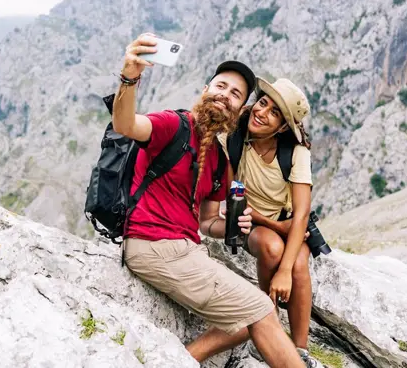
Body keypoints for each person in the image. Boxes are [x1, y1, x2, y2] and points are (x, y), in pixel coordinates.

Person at [114, 33, 305, 367]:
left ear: (239, 109)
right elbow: (126, 124)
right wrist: (130, 76)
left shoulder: (218, 158)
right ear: (205, 90)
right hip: (154, 243)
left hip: (184, 248)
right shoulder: (172, 125)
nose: (225, 96)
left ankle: (184, 359)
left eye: (235, 94)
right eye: (220, 86)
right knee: (261, 309)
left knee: (249, 313)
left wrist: (235, 224)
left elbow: (207, 222)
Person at [223, 77, 321, 368]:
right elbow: (233, 197)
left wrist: (286, 272)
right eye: (263, 103)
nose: (262, 112)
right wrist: (276, 226)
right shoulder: (236, 135)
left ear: (282, 127)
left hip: (286, 221)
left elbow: (301, 214)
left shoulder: (296, 152)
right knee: (271, 246)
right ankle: (271, 331)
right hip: (248, 220)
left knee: (298, 264)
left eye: (274, 112)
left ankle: (299, 349)